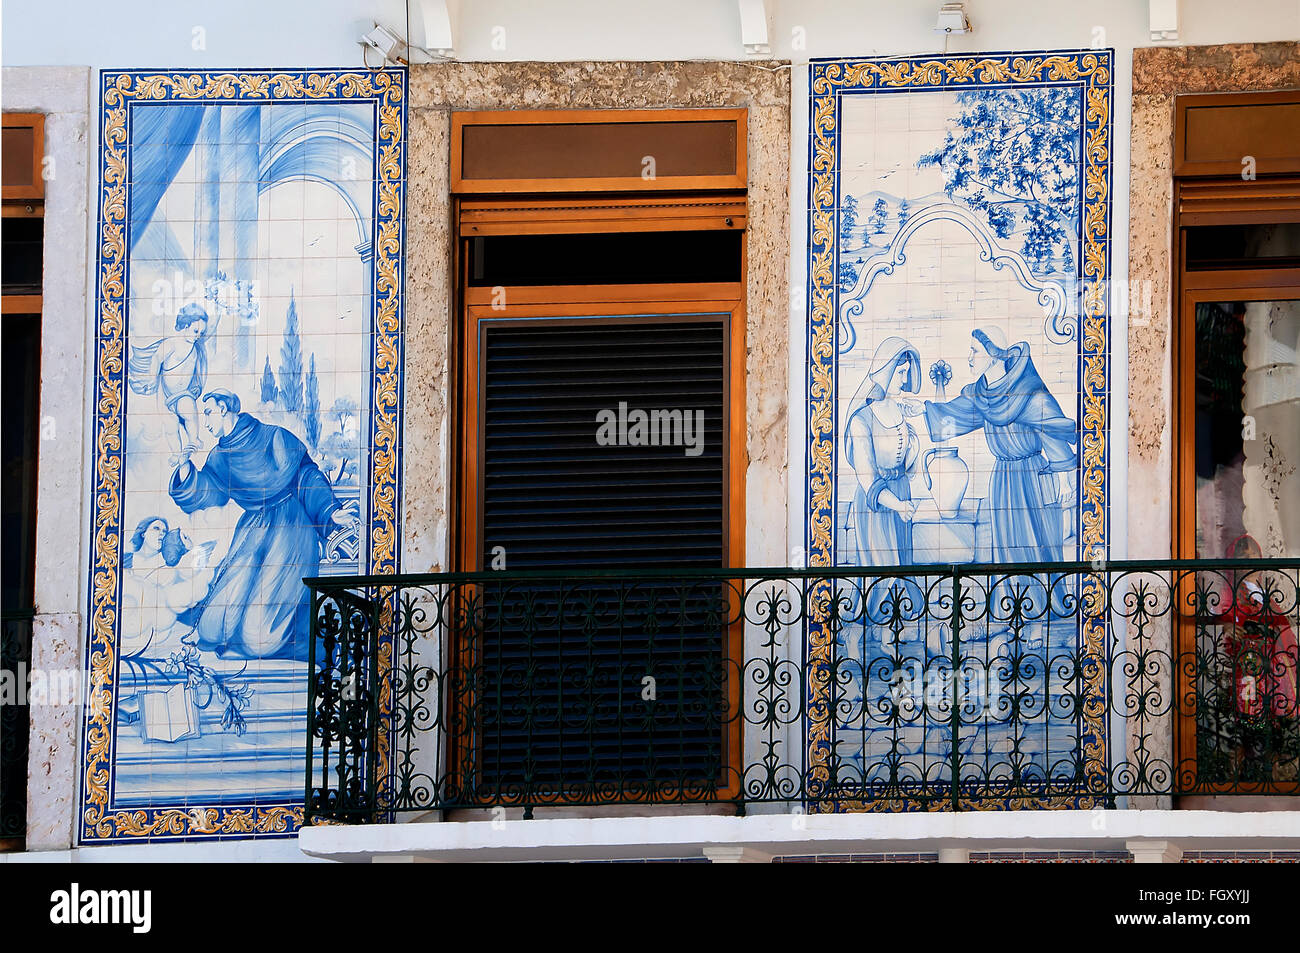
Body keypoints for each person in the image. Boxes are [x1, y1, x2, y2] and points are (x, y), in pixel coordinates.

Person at [168, 389, 356, 661]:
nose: (205, 421)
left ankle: (304, 642)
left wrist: (330, 510)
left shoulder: (272, 437)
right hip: (253, 530)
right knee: (211, 626)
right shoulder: (218, 457)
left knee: (259, 638)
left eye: (208, 412)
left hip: (290, 529)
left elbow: (305, 474)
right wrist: (185, 468)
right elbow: (208, 491)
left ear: (223, 408)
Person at [916, 328, 1076, 563]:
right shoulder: (982, 396)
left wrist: (1063, 478)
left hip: (1033, 477)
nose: (969, 357)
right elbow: (952, 416)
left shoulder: (1028, 390)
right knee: (1008, 548)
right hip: (1003, 480)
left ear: (993, 354)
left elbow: (1051, 428)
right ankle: (1011, 599)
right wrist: (922, 409)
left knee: (1038, 546)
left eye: (974, 351)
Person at [844, 336, 923, 567]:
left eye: (907, 372)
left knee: (903, 569)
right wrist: (897, 505)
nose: (904, 379)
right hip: (877, 505)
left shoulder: (901, 410)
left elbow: (908, 465)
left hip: (902, 494)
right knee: (881, 574)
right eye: (900, 372)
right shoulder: (862, 420)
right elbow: (867, 478)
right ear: (885, 372)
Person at [128, 302, 218, 459]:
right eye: (196, 331)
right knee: (170, 426)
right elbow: (156, 359)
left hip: (184, 393)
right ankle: (176, 453)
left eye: (201, 333)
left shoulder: (196, 347)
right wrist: (151, 379)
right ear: (185, 326)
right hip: (165, 395)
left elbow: (211, 329)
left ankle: (193, 439)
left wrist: (218, 311)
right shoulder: (171, 344)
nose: (198, 335)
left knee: (190, 411)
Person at [119, 516, 216, 659]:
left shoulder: (169, 569)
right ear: (143, 533)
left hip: (155, 632)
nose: (161, 534)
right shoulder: (126, 559)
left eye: (165, 531)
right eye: (156, 528)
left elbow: (186, 594)